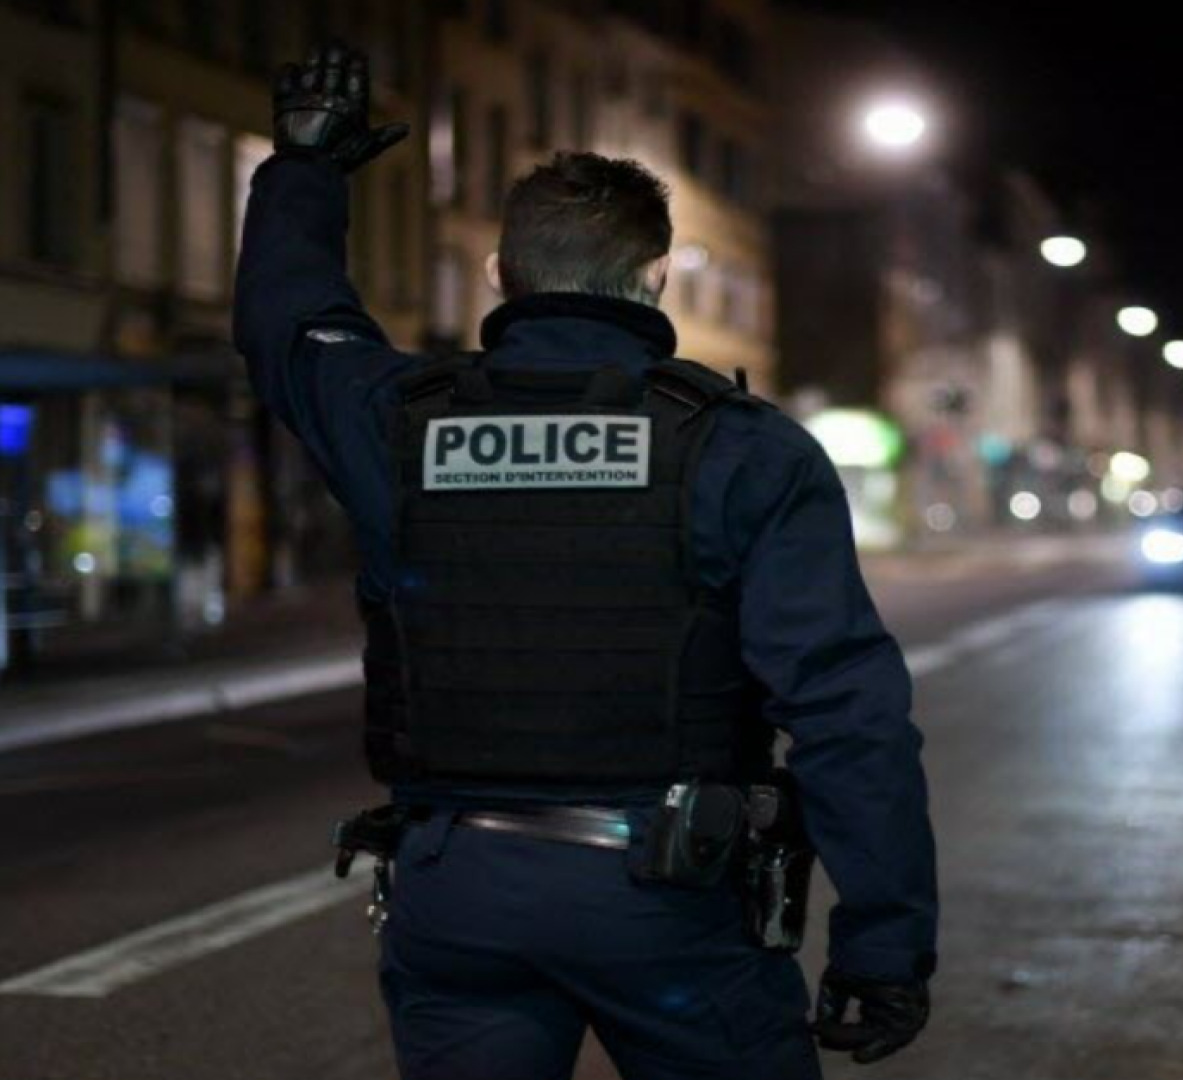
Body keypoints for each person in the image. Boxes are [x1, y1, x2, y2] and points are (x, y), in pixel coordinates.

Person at [235, 42, 936, 1080]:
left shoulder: (400, 423)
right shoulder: (738, 443)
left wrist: (304, 169)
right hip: (666, 897)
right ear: (656, 275)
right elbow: (844, 708)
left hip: (456, 887)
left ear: (499, 274)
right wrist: (883, 947)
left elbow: (291, 329)